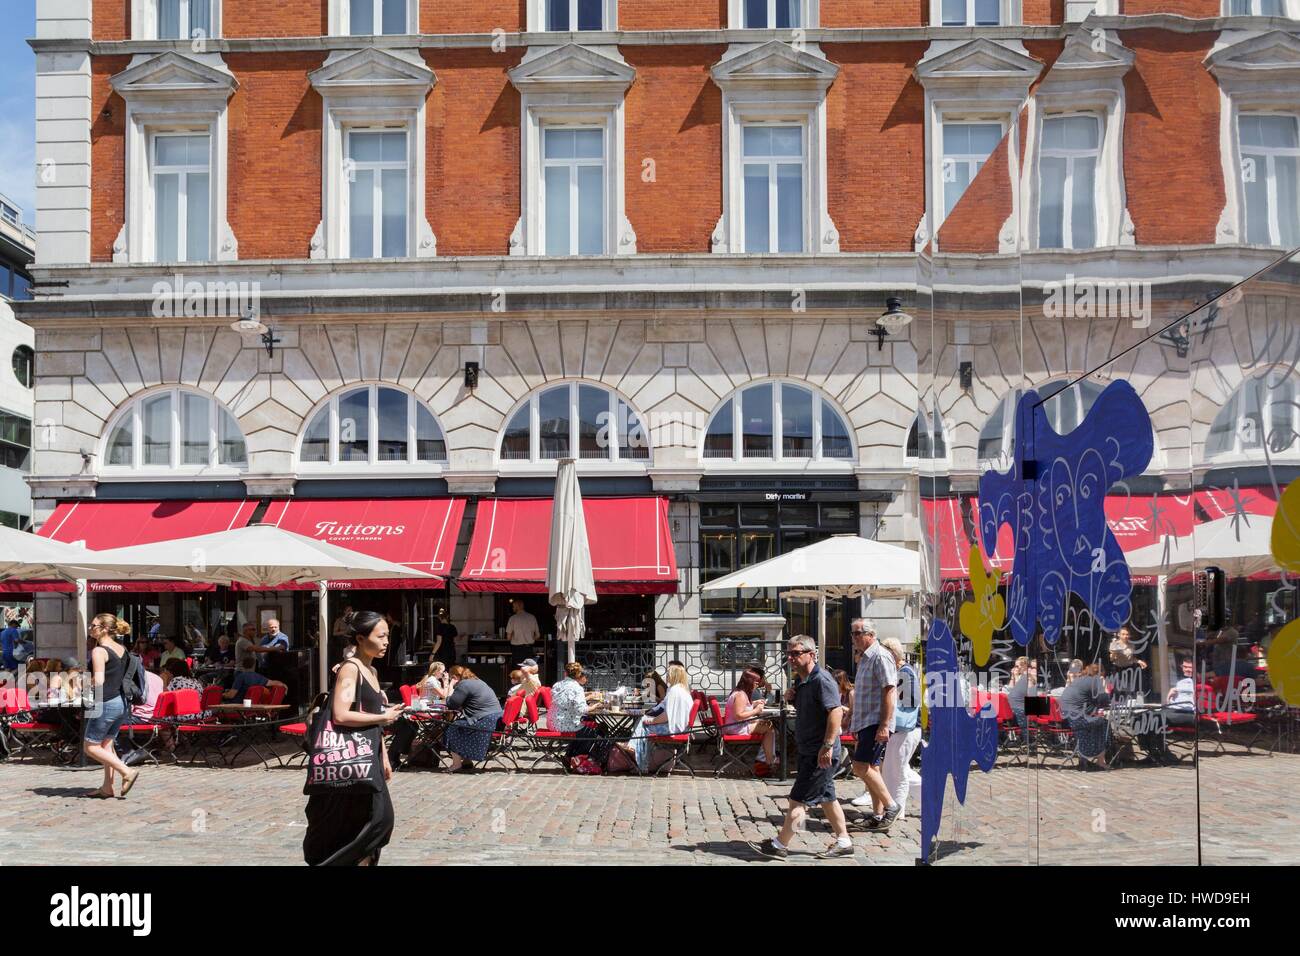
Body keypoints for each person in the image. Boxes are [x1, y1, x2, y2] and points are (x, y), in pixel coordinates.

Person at [303, 610, 402, 866]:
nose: (386, 642)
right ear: (360, 638)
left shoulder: (372, 671)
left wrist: (384, 758)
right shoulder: (351, 669)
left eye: (387, 636)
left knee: (373, 822)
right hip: (347, 758)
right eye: (380, 636)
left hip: (369, 757)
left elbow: (374, 716)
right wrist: (383, 718)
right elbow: (341, 715)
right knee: (375, 821)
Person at [749, 635, 853, 860]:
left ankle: (780, 844)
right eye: (789, 653)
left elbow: (835, 712)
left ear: (811, 654)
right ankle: (844, 841)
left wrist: (826, 746)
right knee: (827, 797)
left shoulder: (822, 680)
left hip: (820, 753)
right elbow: (812, 709)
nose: (791, 658)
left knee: (798, 799)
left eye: (796, 653)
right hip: (809, 750)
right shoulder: (801, 681)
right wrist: (792, 698)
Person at [846, 619, 901, 831]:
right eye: (852, 634)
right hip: (865, 722)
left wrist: (884, 725)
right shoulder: (865, 659)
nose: (853, 638)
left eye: (857, 633)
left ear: (870, 634)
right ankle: (878, 816)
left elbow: (890, 691)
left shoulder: (880, 656)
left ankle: (891, 806)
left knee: (859, 766)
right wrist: (854, 722)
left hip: (876, 722)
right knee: (872, 768)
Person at [81, 612, 140, 799]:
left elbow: (99, 681)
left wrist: (81, 681)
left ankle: (127, 771)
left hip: (106, 701)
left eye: (93, 626)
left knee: (90, 747)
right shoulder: (121, 648)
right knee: (107, 745)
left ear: (104, 629)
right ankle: (107, 787)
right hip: (120, 702)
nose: (90, 629)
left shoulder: (99, 651)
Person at [877, 638, 922, 822]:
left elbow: (911, 701)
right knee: (894, 768)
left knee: (898, 770)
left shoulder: (904, 673)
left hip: (906, 728)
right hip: (903, 729)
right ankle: (931, 797)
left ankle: (898, 809)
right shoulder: (902, 671)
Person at [443, 664, 504, 771]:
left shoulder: (464, 684)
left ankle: (456, 764)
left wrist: (450, 686)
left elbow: (451, 704)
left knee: (452, 727)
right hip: (496, 718)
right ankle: (467, 761)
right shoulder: (479, 681)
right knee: (461, 724)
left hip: (484, 720)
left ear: (455, 677)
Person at [724, 666, 777, 774]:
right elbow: (738, 715)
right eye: (756, 683)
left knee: (768, 725)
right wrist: (756, 710)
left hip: (735, 726)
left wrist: (754, 703)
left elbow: (741, 708)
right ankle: (768, 761)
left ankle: (766, 759)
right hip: (736, 728)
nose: (757, 685)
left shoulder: (740, 692)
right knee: (769, 728)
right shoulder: (741, 695)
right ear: (750, 682)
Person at [1059, 662, 1112, 769]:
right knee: (1104, 723)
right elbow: (1104, 700)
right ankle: (1101, 760)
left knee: (1095, 722)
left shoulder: (1079, 680)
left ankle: (1085, 757)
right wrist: (1104, 687)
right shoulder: (1094, 681)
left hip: (1067, 719)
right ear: (1100, 674)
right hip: (1078, 719)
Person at [550, 661, 593, 733]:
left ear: (565, 673)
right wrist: (596, 706)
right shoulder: (577, 688)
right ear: (578, 675)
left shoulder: (556, 685)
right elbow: (581, 710)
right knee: (595, 729)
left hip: (552, 723)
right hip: (566, 725)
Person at [506, 599, 539, 666]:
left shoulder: (513, 619)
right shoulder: (532, 617)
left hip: (517, 649)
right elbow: (538, 635)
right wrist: (530, 638)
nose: (512, 608)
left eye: (513, 606)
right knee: (528, 670)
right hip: (529, 649)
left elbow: (508, 637)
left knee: (518, 671)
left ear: (517, 607)